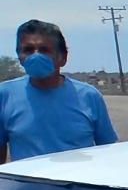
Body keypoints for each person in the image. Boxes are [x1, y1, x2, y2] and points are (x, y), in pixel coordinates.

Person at [0, 19, 116, 163]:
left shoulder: (89, 96)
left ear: (63, 57)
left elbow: (109, 152)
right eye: (28, 50)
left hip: (78, 183)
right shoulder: (5, 95)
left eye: (44, 50)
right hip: (29, 185)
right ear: (20, 57)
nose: (35, 56)